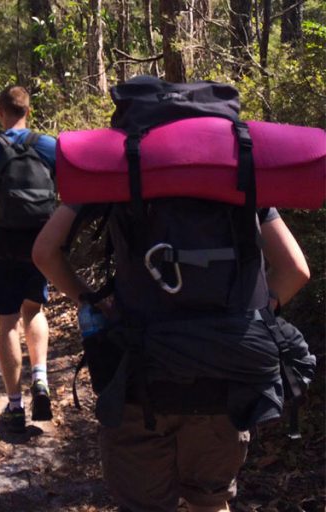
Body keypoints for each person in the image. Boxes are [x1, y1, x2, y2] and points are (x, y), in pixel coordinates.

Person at [32, 204, 310, 512]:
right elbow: (295, 270)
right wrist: (252, 318)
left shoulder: (112, 175)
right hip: (223, 380)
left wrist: (94, 303)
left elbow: (44, 252)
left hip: (139, 379)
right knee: (210, 501)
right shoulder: (240, 179)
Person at [0, 85, 57, 433]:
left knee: (7, 322)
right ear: (28, 112)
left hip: (2, 241)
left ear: (0, 112)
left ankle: (15, 407)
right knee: (33, 310)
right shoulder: (49, 146)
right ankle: (41, 379)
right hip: (40, 241)